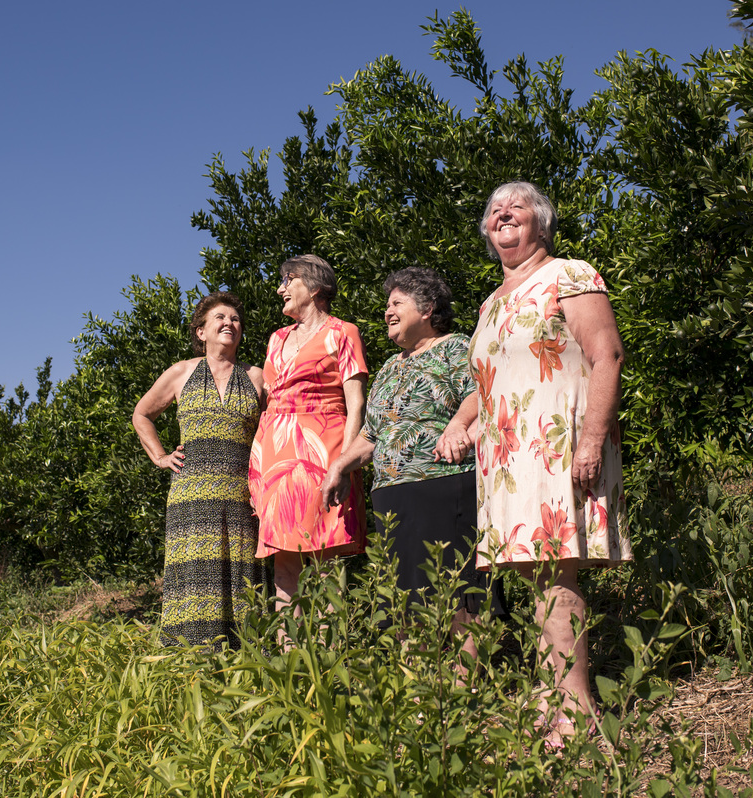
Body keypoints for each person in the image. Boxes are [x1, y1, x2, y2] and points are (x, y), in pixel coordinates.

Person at [451, 180, 633, 748]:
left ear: (541, 224)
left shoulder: (569, 274)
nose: (504, 211)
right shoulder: (491, 304)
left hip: (558, 447)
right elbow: (492, 384)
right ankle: (552, 698)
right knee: (534, 575)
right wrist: (462, 423)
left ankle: (577, 711)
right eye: (494, 208)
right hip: (508, 460)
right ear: (487, 231)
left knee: (557, 571)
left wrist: (590, 441)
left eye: (519, 205)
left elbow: (608, 355)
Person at [320, 267, 505, 654]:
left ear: (427, 308)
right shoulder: (389, 366)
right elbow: (371, 433)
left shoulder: (456, 346)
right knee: (404, 596)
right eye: (387, 304)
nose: (387, 311)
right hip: (391, 494)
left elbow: (481, 392)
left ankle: (466, 687)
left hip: (445, 483)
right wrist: (339, 465)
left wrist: (457, 425)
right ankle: (419, 690)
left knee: (456, 590)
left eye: (396, 303)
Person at [132, 291, 269, 649]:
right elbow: (141, 414)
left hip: (243, 495)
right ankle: (189, 664)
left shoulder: (257, 376)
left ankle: (248, 665)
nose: (229, 323)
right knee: (194, 577)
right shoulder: (181, 372)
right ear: (201, 332)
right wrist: (160, 456)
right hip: (190, 496)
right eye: (219, 318)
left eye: (235, 319)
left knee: (243, 578)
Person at [248, 254, 368, 608]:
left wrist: (346, 464)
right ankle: (291, 658)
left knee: (325, 559)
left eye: (288, 280)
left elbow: (356, 404)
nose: (279, 288)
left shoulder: (342, 332)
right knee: (283, 560)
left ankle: (328, 657)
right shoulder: (276, 339)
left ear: (314, 287)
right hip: (276, 455)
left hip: (324, 451)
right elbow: (270, 401)